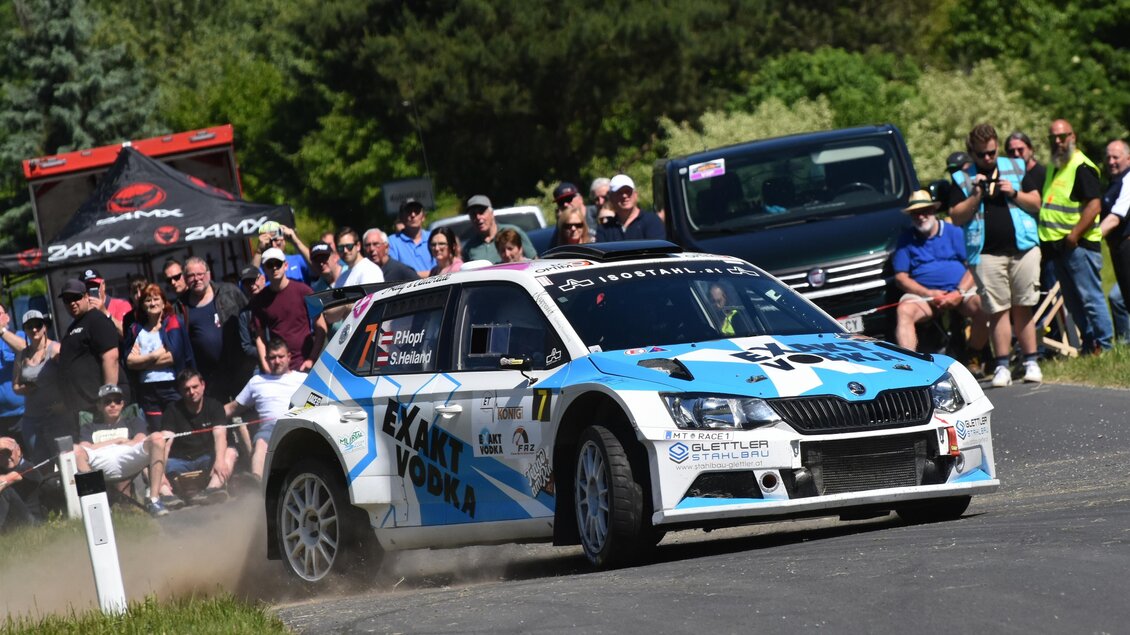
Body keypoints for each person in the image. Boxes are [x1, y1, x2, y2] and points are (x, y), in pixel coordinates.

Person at [948, 123, 1044, 386]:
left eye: (991, 153)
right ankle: (1002, 365)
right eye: (982, 155)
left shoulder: (1015, 167)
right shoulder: (963, 178)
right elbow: (956, 217)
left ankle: (1030, 361)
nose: (988, 159)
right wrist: (976, 195)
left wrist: (1012, 192)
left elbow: (1036, 202)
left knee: (1024, 305)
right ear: (972, 153)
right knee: (997, 310)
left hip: (1023, 248)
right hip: (986, 253)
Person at [1038, 119, 1113, 355]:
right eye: (1053, 138)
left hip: (1078, 245)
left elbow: (1094, 205)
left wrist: (1073, 236)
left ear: (1073, 136)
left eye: (1062, 137)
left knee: (1090, 298)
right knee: (1072, 302)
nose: (1058, 142)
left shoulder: (1081, 166)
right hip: (1058, 248)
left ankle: (1107, 346)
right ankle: (1090, 346)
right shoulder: (1055, 166)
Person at [892, 191, 986, 352]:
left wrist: (959, 292)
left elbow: (973, 265)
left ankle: (974, 355)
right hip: (925, 296)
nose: (921, 216)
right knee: (904, 310)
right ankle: (910, 365)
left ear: (933, 211)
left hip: (960, 292)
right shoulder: (905, 239)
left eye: (925, 211)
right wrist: (928, 293)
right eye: (915, 213)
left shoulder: (953, 231)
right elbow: (901, 277)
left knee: (984, 305)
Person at [73, 384, 180, 517]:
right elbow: (85, 447)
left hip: (128, 459)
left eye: (117, 401)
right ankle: (97, 506)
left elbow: (139, 441)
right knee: (75, 450)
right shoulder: (90, 427)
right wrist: (117, 441)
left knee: (157, 438)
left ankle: (154, 499)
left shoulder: (133, 421)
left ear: (122, 404)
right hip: (100, 464)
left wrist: (103, 445)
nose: (113, 405)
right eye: (107, 402)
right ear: (99, 406)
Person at [224, 338, 306, 482]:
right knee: (261, 441)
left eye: (280, 356)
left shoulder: (303, 379)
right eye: (272, 357)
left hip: (298, 425)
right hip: (269, 429)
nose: (277, 361)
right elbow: (233, 408)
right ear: (267, 359)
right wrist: (207, 416)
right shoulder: (257, 381)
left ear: (289, 357)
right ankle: (256, 483)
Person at [174, 256, 250, 401]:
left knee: (247, 413)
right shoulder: (180, 306)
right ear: (185, 278)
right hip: (209, 377)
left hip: (239, 368)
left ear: (208, 274)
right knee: (219, 419)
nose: (196, 279)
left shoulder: (230, 291)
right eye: (191, 276)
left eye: (200, 274)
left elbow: (249, 320)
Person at [160, 368, 237, 504]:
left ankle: (211, 491)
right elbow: (166, 443)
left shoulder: (215, 406)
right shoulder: (172, 410)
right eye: (186, 389)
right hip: (179, 461)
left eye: (195, 387)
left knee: (230, 453)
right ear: (180, 391)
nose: (191, 392)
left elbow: (220, 436)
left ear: (203, 385)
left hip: (207, 458)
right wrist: (159, 473)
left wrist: (219, 461)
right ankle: (168, 497)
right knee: (148, 464)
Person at [123, 283, 194, 422]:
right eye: (148, 300)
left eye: (156, 299)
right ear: (142, 305)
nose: (152, 303)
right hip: (147, 389)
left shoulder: (172, 324)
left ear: (163, 303)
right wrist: (155, 355)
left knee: (177, 427)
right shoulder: (137, 329)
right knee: (157, 432)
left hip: (171, 386)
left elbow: (173, 357)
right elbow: (130, 362)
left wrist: (142, 362)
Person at [58, 278, 121, 434]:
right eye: (67, 300)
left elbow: (111, 357)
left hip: (96, 405)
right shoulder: (75, 325)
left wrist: (108, 399)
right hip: (79, 407)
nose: (72, 303)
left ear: (86, 296)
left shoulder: (96, 320)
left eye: (76, 298)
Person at [250, 248, 327, 372]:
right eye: (270, 265)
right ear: (264, 269)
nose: (274, 268)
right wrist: (267, 368)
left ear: (286, 266)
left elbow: (321, 326)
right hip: (278, 368)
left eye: (278, 264)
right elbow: (260, 337)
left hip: (306, 366)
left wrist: (312, 359)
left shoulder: (305, 291)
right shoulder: (259, 300)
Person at [12, 310, 64, 462]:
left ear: (44, 327)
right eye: (29, 326)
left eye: (38, 325)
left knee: (63, 459)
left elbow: (68, 378)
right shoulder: (21, 355)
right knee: (40, 462)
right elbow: (15, 386)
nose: (34, 329)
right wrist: (25, 389)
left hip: (56, 415)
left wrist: (64, 403)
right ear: (25, 330)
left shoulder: (55, 349)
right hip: (32, 418)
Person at [1099, 139, 1130, 343]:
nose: (1111, 161)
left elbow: (1116, 217)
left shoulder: (1128, 180)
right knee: (1121, 297)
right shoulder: (1114, 182)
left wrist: (1090, 237)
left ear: (1128, 158)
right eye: (1108, 157)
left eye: (1115, 157)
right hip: (1118, 249)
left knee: (1120, 297)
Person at [462, 195, 537, 263]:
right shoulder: (469, 248)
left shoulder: (512, 232)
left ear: (491, 213)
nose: (478, 217)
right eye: (473, 214)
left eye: (481, 212)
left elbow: (535, 262)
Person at [595, 174, 665, 242]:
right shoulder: (604, 230)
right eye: (619, 192)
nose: (624, 195)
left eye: (628, 191)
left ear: (635, 195)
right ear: (611, 198)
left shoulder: (652, 221)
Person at [0, 436, 43, 532]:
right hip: (14, 522)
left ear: (18, 450)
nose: (6, 458)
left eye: (8, 453)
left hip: (33, 522)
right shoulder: (3, 470)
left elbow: (12, 477)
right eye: (1, 454)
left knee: (6, 490)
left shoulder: (28, 467)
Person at [254, 220, 315, 284]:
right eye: (268, 243)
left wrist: (295, 241)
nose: (274, 245)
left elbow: (317, 268)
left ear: (284, 240)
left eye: (276, 240)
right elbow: (251, 283)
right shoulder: (262, 267)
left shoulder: (297, 260)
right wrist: (258, 251)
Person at [388, 198, 435, 277]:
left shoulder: (434, 237)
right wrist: (432, 274)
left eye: (416, 211)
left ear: (423, 217)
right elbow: (395, 273)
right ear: (401, 217)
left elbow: (447, 267)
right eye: (408, 211)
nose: (413, 215)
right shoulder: (391, 242)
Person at [0, 304, 26, 443]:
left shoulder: (18, 335)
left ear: (7, 317)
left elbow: (24, 348)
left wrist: (2, 332)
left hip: (24, 415)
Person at [81, 267, 132, 334]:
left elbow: (126, 334)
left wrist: (104, 312)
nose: (90, 291)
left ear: (103, 285)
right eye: (87, 288)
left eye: (95, 286)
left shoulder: (121, 305)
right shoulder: (82, 313)